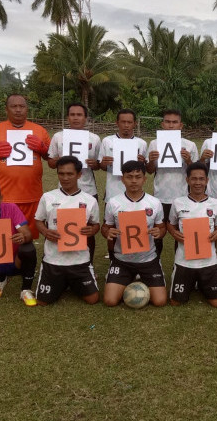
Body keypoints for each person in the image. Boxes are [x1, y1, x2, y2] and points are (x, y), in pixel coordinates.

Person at [0, 94, 51, 239]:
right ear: (6, 109)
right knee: (3, 238)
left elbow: (52, 158)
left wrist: (43, 148)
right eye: (13, 106)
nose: (18, 110)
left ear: (27, 109)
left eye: (21, 106)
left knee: (27, 240)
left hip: (31, 196)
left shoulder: (40, 130)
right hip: (3, 196)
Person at [34, 156, 100, 305]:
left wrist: (91, 230)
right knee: (43, 302)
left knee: (93, 299)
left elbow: (96, 225)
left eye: (70, 174)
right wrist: (45, 232)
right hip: (53, 259)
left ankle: (69, 281)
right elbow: (38, 220)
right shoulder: (48, 197)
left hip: (80, 260)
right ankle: (63, 282)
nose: (65, 178)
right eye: (61, 173)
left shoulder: (89, 200)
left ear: (79, 175)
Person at [101, 160, 167, 307]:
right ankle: (126, 276)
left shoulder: (154, 203)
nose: (134, 181)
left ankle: (142, 275)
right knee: (110, 301)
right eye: (129, 177)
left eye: (138, 177)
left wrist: (159, 232)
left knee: (160, 301)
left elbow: (162, 228)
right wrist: (108, 232)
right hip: (122, 260)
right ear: (122, 179)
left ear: (144, 179)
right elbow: (105, 227)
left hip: (148, 260)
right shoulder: (113, 202)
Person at [47, 103, 101, 260]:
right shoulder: (58, 137)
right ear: (67, 118)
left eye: (79, 115)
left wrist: (94, 164)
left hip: (88, 189)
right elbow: (50, 162)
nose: (76, 118)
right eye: (72, 114)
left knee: (88, 230)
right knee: (64, 227)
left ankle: (88, 263)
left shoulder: (95, 139)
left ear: (86, 118)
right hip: (64, 191)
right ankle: (66, 261)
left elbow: (99, 165)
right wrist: (60, 160)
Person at [167, 162, 217, 307]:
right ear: (187, 180)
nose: (198, 182)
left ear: (207, 181)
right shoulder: (178, 202)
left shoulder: (215, 203)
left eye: (201, 179)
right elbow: (170, 224)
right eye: (194, 179)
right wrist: (174, 232)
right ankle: (192, 282)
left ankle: (200, 283)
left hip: (208, 261)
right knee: (175, 302)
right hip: (184, 261)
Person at [146, 109, 199, 256]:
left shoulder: (190, 145)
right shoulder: (154, 144)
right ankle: (154, 263)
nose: (171, 125)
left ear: (181, 125)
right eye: (168, 122)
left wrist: (188, 160)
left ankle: (181, 263)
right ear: (162, 124)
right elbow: (149, 170)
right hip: (160, 196)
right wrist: (151, 160)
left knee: (182, 233)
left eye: (174, 122)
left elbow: (195, 173)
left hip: (182, 196)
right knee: (157, 234)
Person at [98, 108, 148, 201]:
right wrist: (104, 164)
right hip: (112, 191)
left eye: (129, 122)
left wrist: (143, 162)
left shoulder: (142, 143)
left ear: (135, 123)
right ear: (117, 123)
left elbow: (145, 168)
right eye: (123, 122)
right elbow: (102, 166)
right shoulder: (107, 141)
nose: (126, 125)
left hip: (134, 192)